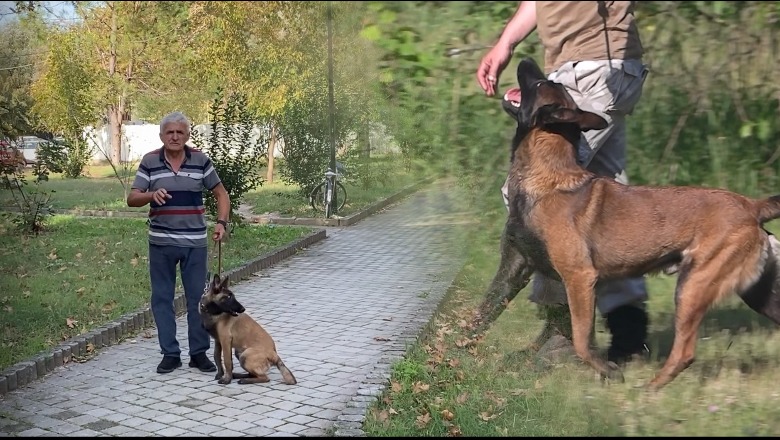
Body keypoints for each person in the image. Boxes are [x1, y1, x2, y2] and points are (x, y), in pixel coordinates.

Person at [476, 1, 650, 364]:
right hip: (590, 64)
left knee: (539, 199)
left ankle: (564, 337)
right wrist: (506, 42)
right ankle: (628, 332)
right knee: (607, 207)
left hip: (594, 64)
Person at [127, 111, 231, 374]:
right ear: (161, 135)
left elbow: (221, 193)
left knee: (199, 299)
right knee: (162, 298)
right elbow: (132, 198)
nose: (174, 136)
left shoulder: (200, 160)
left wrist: (221, 223)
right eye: (170, 132)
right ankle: (170, 354)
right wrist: (151, 194)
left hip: (195, 243)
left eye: (180, 132)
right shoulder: (150, 161)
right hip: (161, 243)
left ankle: (198, 354)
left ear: (187, 135)